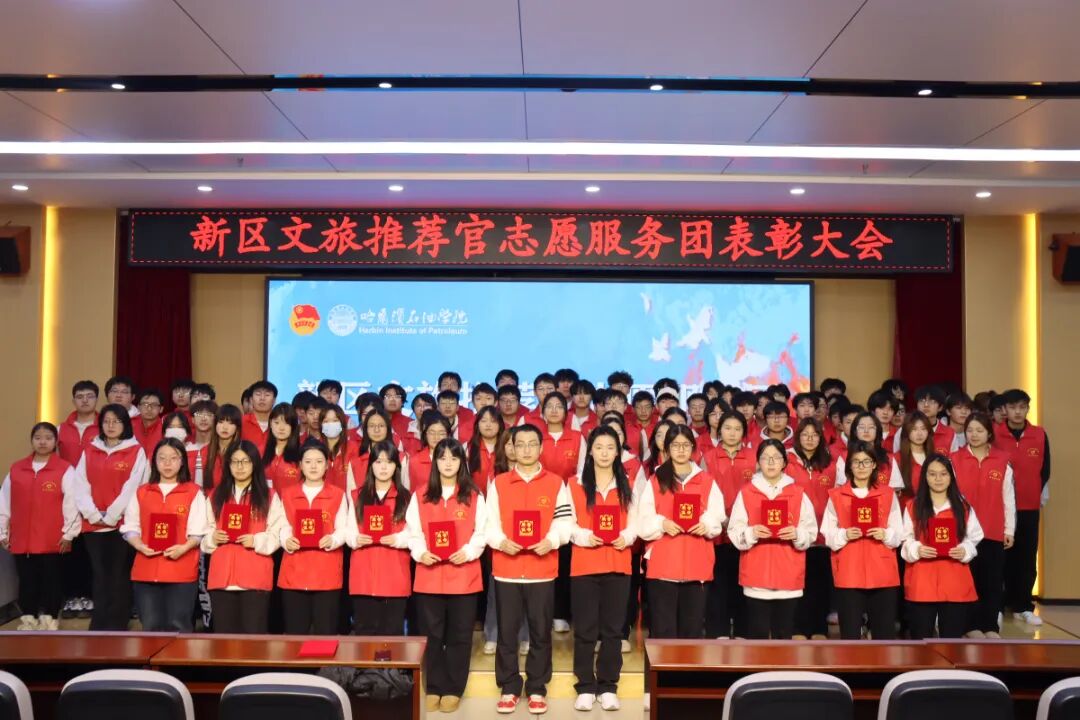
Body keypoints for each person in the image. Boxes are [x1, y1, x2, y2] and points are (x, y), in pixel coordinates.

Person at [485, 424, 573, 716]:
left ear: (541, 447)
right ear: (511, 448)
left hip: (542, 570)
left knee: (540, 632)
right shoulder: (499, 483)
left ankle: (537, 687)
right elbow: (488, 523)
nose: (525, 449)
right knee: (507, 633)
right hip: (507, 569)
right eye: (519, 444)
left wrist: (551, 541)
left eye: (531, 444)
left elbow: (565, 522)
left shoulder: (556, 483)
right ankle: (509, 687)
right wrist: (500, 541)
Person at [407, 438, 487, 714]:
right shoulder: (420, 495)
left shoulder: (474, 495)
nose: (448, 463)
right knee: (431, 635)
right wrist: (420, 552)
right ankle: (434, 686)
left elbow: (481, 532)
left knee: (459, 635)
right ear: (435, 462)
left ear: (462, 462)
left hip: (464, 575)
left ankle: (453, 687)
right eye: (443, 458)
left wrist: (468, 551)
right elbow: (413, 532)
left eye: (454, 458)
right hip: (429, 575)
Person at [567, 426, 639, 712]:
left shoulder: (628, 484)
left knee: (613, 630)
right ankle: (585, 685)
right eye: (599, 447)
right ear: (590, 451)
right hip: (584, 565)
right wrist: (585, 536)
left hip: (618, 563)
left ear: (618, 452)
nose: (605, 453)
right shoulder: (574, 484)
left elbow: (636, 520)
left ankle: (608, 686)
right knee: (585, 629)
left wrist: (628, 536)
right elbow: (566, 523)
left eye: (610, 448)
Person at [727, 439, 817, 640]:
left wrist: (797, 534)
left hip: (788, 573)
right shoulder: (747, 492)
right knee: (757, 635)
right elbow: (734, 530)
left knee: (784, 635)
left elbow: (810, 531)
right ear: (758, 462)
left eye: (776, 458)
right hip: (756, 574)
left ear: (784, 462)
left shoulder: (798, 492)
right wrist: (752, 532)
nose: (770, 462)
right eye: (765, 458)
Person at [71, 404, 148, 630]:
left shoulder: (135, 451)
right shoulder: (90, 449)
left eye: (116, 421)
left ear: (125, 425)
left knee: (118, 574)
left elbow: (134, 486)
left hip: (122, 525)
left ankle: (117, 623)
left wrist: (113, 514)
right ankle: (99, 623)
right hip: (93, 524)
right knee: (99, 574)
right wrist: (93, 514)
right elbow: (80, 484)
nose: (111, 426)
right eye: (106, 421)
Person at [121, 437, 207, 632]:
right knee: (150, 626)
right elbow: (131, 526)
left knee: (179, 627)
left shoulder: (193, 492)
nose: (167, 463)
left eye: (173, 458)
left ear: (182, 461)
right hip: (146, 570)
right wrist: (139, 545)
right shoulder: (142, 492)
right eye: (162, 458)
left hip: (181, 571)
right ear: (155, 461)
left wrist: (183, 548)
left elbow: (198, 531)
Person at [0, 422, 79, 630]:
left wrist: (69, 534)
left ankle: (50, 618)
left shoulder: (64, 469)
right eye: (38, 438)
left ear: (55, 442)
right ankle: (28, 617)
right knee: (26, 580)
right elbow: (4, 502)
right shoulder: (16, 469)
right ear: (31, 441)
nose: (43, 442)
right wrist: (2, 531)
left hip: (52, 538)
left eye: (48, 438)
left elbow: (72, 503)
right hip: (21, 539)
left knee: (52, 580)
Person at [821, 440, 902, 640]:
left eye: (866, 461)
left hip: (882, 570)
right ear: (849, 466)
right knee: (850, 633)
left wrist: (885, 534)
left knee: (884, 633)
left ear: (874, 464)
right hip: (849, 570)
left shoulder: (887, 494)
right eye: (856, 462)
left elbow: (899, 533)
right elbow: (828, 533)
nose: (861, 466)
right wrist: (844, 535)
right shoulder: (837, 495)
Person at [202, 440, 283, 634]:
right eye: (235, 461)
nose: (240, 467)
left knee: (253, 638)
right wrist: (212, 538)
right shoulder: (215, 496)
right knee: (224, 639)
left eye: (245, 461)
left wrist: (256, 540)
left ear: (255, 464)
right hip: (221, 577)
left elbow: (277, 534)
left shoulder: (268, 496)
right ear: (228, 465)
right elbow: (203, 532)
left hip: (255, 577)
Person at [901, 454, 983, 639]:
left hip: (954, 579)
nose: (938, 479)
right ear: (925, 476)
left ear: (951, 477)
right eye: (932, 474)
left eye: (943, 474)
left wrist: (965, 549)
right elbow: (905, 539)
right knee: (920, 638)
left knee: (952, 641)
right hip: (922, 580)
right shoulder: (913, 506)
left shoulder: (963, 507)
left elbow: (975, 537)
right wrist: (917, 549)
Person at [277, 440, 349, 635]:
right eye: (308, 462)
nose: (314, 466)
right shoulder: (288, 494)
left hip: (326, 571)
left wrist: (333, 540)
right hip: (294, 571)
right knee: (295, 634)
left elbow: (344, 529)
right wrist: (286, 539)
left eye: (319, 461)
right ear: (300, 465)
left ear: (327, 465)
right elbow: (282, 525)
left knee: (325, 634)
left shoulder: (338, 495)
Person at [954, 413, 1014, 638]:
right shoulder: (954, 459)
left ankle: (990, 626)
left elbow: (1008, 498)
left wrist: (1009, 530)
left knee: (992, 582)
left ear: (989, 433)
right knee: (968, 581)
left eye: (979, 430)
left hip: (992, 530)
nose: (974, 435)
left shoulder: (1003, 460)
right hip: (964, 534)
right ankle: (970, 626)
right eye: (970, 430)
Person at [993, 388, 1049, 626]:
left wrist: (1034, 491)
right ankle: (996, 607)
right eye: (1012, 407)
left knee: (1026, 558)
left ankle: (1023, 606)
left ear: (1027, 409)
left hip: (1028, 506)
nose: (1017, 412)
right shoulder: (994, 433)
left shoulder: (1039, 434)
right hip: (1000, 507)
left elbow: (1045, 469)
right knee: (999, 559)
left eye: (1022, 407)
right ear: (1005, 410)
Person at [346, 440, 412, 636]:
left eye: (389, 462)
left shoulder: (406, 497)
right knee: (364, 633)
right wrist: (355, 539)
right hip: (363, 576)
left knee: (392, 633)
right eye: (378, 462)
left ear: (396, 466)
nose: (383, 467)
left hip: (395, 575)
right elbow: (347, 530)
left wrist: (398, 539)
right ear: (371, 465)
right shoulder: (357, 495)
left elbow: (414, 533)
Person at [701, 412, 755, 639]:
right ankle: (718, 630)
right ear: (719, 430)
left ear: (744, 432)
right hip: (717, 531)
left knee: (744, 581)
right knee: (717, 583)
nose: (732, 433)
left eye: (737, 429)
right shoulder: (708, 457)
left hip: (745, 530)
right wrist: (718, 519)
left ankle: (743, 630)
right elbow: (702, 492)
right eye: (727, 428)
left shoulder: (754, 456)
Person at [786, 418, 836, 639]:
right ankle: (798, 628)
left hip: (823, 533)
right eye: (805, 434)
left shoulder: (830, 462)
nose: (809, 439)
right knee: (798, 583)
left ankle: (819, 628)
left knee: (820, 584)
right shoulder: (787, 460)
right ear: (798, 437)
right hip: (796, 532)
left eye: (814, 435)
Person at [896, 411, 936, 501]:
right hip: (906, 507)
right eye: (914, 429)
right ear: (907, 431)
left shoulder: (936, 458)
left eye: (923, 429)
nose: (919, 433)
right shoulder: (896, 459)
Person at [58, 380, 99, 465]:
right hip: (66, 473)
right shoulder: (60, 429)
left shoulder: (106, 428)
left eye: (90, 396)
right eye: (80, 397)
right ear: (74, 401)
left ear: (96, 400)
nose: (85, 400)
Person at [204, 404, 243, 493]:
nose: (225, 427)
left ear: (237, 427)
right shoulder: (204, 452)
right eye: (221, 422)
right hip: (208, 499)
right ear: (215, 424)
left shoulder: (243, 452)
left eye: (230, 423)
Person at [262, 403, 302, 491]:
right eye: (276, 423)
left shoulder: (303, 453)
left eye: (286, 423)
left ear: (293, 426)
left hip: (292, 499)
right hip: (265, 499)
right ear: (270, 424)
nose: (281, 428)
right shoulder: (259, 451)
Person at [409, 412, 453, 490]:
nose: (436, 437)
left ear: (448, 435)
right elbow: (412, 490)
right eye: (432, 433)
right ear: (425, 434)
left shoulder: (456, 458)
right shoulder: (414, 461)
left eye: (441, 433)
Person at [467, 405, 505, 494]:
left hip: (503, 495)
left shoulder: (507, 447)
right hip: (476, 497)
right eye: (483, 421)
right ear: (477, 424)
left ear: (500, 424)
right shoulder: (467, 448)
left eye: (493, 421)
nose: (488, 425)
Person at [318, 403, 356, 491]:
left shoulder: (354, 448)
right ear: (321, 425)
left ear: (342, 424)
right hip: (321, 498)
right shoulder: (315, 449)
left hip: (347, 498)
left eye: (335, 421)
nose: (331, 424)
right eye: (326, 421)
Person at [241, 380, 277, 447]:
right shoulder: (240, 422)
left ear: (274, 401)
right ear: (251, 400)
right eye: (258, 394)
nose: (262, 398)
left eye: (267, 395)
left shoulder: (280, 424)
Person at [132, 389, 165, 455]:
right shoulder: (129, 425)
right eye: (145, 404)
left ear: (161, 409)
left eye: (154, 405)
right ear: (138, 407)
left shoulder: (166, 427)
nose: (149, 408)